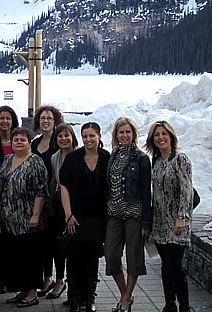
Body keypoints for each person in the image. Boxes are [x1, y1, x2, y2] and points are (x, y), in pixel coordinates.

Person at [60, 122, 110, 312]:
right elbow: (64, 186)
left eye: (92, 136)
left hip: (97, 218)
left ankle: (89, 297)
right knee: (73, 258)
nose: (88, 140)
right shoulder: (73, 158)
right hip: (76, 217)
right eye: (85, 136)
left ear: (99, 136)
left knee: (91, 258)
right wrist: (68, 215)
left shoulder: (106, 157)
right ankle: (73, 297)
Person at [0, 127, 48, 308]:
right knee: (15, 257)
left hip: (28, 219)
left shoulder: (36, 162)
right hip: (8, 220)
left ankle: (32, 293)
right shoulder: (7, 160)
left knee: (29, 256)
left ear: (29, 142)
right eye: (16, 139)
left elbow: (41, 191)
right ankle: (21, 291)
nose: (19, 142)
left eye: (22, 139)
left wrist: (35, 215)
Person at [145, 121, 193, 312]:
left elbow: (187, 191)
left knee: (175, 266)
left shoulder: (180, 159)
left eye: (164, 134)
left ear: (171, 137)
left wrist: (182, 216)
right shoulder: (156, 161)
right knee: (165, 266)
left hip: (176, 223)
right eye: (156, 135)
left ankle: (185, 306)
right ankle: (169, 304)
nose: (161, 138)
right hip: (160, 223)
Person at [105, 118, 151, 312]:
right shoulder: (112, 155)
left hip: (134, 213)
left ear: (133, 135)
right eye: (121, 132)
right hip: (114, 214)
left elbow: (146, 191)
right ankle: (126, 294)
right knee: (111, 256)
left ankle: (124, 300)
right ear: (116, 135)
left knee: (133, 257)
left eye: (128, 132)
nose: (124, 136)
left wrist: (146, 221)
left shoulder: (141, 158)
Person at [31, 106, 64, 298]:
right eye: (42, 118)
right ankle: (47, 277)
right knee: (43, 241)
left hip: (56, 200)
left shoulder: (58, 142)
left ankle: (60, 280)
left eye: (49, 118)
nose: (45, 121)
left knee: (57, 241)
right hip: (39, 199)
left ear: (55, 121)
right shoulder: (35, 144)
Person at [0, 106, 19, 294]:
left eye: (8, 118)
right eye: (1, 118)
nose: (5, 121)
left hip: (16, 199)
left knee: (12, 241)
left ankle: (12, 278)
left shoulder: (18, 140)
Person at [49, 123, 78, 301]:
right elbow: (54, 179)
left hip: (77, 205)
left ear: (73, 138)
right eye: (60, 136)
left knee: (74, 247)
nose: (64, 139)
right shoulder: (54, 158)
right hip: (59, 205)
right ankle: (59, 280)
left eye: (67, 135)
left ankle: (75, 286)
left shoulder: (80, 155)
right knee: (58, 245)